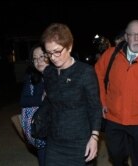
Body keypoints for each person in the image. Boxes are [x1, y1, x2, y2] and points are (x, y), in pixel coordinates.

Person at [40, 23, 102, 166]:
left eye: (57, 51)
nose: (53, 57)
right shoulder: (49, 73)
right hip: (54, 142)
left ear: (69, 47)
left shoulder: (85, 72)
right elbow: (49, 101)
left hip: (80, 143)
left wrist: (94, 137)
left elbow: (95, 107)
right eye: (49, 53)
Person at [95, 19, 138, 166]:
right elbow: (97, 75)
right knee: (116, 157)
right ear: (126, 37)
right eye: (132, 34)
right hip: (113, 118)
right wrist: (102, 101)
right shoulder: (111, 54)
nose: (136, 38)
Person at [20, 44, 48, 166]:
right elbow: (23, 101)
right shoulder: (32, 77)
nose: (38, 61)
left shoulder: (60, 74)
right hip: (41, 129)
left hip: (61, 130)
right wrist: (42, 98)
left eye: (41, 57)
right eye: (35, 58)